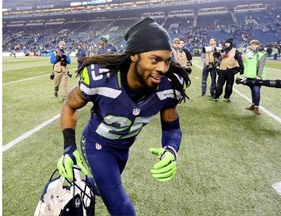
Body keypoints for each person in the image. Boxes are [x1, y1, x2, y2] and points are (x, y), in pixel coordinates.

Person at [56, 17, 191, 216]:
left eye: (167, 61)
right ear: (134, 55)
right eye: (155, 60)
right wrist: (69, 147)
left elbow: (172, 126)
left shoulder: (170, 85)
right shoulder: (101, 78)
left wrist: (171, 150)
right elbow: (69, 106)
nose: (163, 68)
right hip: (97, 144)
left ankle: (76, 187)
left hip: (123, 148)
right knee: (121, 206)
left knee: (104, 187)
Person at [211, 38, 244, 102]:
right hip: (222, 69)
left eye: (228, 43)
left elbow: (240, 60)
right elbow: (215, 55)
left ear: (231, 44)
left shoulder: (235, 51)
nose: (226, 44)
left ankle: (227, 97)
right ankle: (216, 96)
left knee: (229, 85)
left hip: (231, 70)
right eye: (226, 43)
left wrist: (242, 68)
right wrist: (215, 52)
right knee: (219, 84)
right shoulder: (223, 50)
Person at [243, 39, 267, 115]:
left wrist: (259, 76)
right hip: (249, 76)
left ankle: (256, 107)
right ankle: (253, 105)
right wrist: (244, 58)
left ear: (258, 45)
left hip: (257, 77)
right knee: (252, 91)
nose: (253, 46)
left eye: (255, 45)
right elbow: (247, 64)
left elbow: (261, 65)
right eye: (252, 45)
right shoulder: (249, 53)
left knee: (256, 91)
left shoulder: (261, 54)